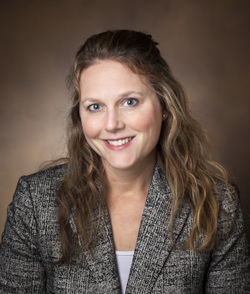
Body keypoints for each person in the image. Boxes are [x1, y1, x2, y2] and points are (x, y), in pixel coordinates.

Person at [0, 30, 250, 293]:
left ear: (164, 106)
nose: (112, 124)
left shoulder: (218, 203)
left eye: (129, 102)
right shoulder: (34, 201)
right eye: (95, 107)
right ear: (80, 116)